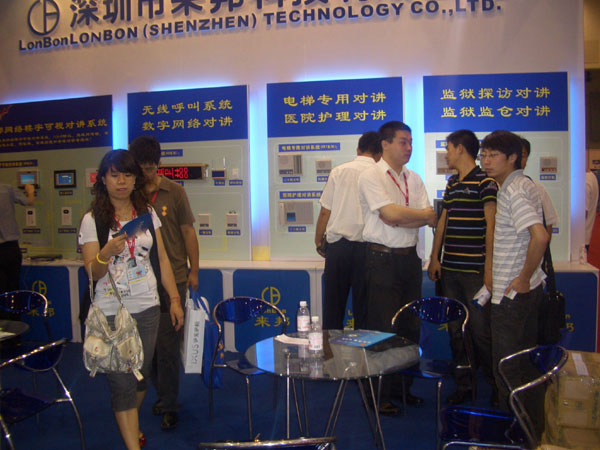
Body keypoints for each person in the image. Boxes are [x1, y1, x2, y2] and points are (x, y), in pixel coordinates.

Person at [78, 150, 184, 450]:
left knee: (141, 374)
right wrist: (105, 253)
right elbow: (92, 273)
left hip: (148, 306)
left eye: (127, 175)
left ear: (136, 179)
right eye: (114, 175)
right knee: (122, 380)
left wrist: (174, 299)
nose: (121, 181)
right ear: (103, 179)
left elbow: (162, 259)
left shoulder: (146, 213)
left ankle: (130, 424)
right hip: (111, 310)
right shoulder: (92, 220)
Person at [357, 120, 436, 415]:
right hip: (381, 259)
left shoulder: (414, 178)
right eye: (403, 142)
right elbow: (390, 215)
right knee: (382, 329)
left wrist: (406, 216)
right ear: (385, 144)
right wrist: (411, 215)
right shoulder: (371, 175)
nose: (409, 148)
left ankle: (403, 388)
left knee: (409, 328)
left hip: (409, 260)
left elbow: (429, 216)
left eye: (411, 142)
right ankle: (378, 394)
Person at [479, 130, 549, 438]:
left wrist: (521, 278)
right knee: (522, 364)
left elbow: (540, 237)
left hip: (513, 296)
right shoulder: (521, 185)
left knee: (507, 368)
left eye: (493, 155)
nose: (486, 161)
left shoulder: (514, 190)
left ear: (512, 158)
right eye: (484, 155)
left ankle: (518, 433)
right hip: (523, 292)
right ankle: (530, 430)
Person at [129, 136, 199, 431]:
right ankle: (161, 393)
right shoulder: (129, 196)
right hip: (140, 281)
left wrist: (194, 270)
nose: (147, 172)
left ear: (158, 163)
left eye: (151, 166)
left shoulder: (174, 191)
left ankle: (169, 404)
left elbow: (188, 232)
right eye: (142, 167)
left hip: (174, 280)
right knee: (148, 349)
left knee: (169, 347)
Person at [428, 129, 498, 406]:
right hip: (450, 271)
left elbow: (491, 226)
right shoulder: (452, 183)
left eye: (448, 148)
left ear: (460, 149)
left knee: (481, 332)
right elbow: (442, 222)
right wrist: (435, 258)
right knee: (456, 331)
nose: (446, 154)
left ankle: (496, 387)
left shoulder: (486, 182)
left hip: (475, 273)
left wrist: (489, 270)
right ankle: (465, 384)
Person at [315, 131, 382, 330]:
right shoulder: (380, 174)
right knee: (364, 309)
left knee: (333, 308)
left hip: (338, 249)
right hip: (369, 249)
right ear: (379, 153)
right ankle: (364, 349)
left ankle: (329, 348)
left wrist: (318, 240)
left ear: (358, 149)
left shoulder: (339, 171)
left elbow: (325, 211)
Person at [0, 181, 34, 295]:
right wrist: (30, 191)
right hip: (10, 248)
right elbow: (29, 201)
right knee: (12, 289)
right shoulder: (7, 189)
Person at [520, 138, 559, 239]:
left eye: (522, 155)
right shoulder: (492, 186)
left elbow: (548, 223)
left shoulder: (535, 187)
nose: (518, 159)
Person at [585, 170, 599, 253]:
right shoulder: (591, 177)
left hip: (578, 240)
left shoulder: (584, 182)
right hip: (584, 238)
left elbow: (582, 215)